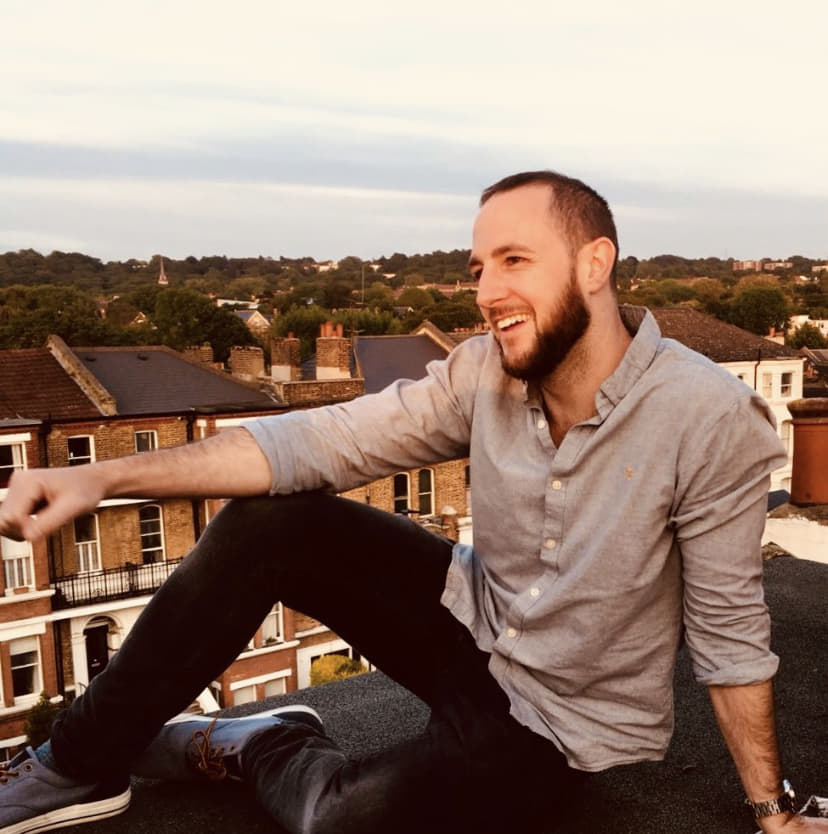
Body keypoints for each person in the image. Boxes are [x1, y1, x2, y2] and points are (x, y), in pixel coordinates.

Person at [0, 170, 823, 834]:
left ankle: (264, 744)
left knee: (337, 819)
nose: (487, 291)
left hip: (561, 726)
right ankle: (75, 766)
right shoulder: (482, 371)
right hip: (473, 625)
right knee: (273, 520)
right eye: (478, 269)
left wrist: (772, 810)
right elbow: (318, 441)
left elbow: (729, 630)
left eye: (514, 260)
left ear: (594, 263)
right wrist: (101, 479)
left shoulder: (708, 415)